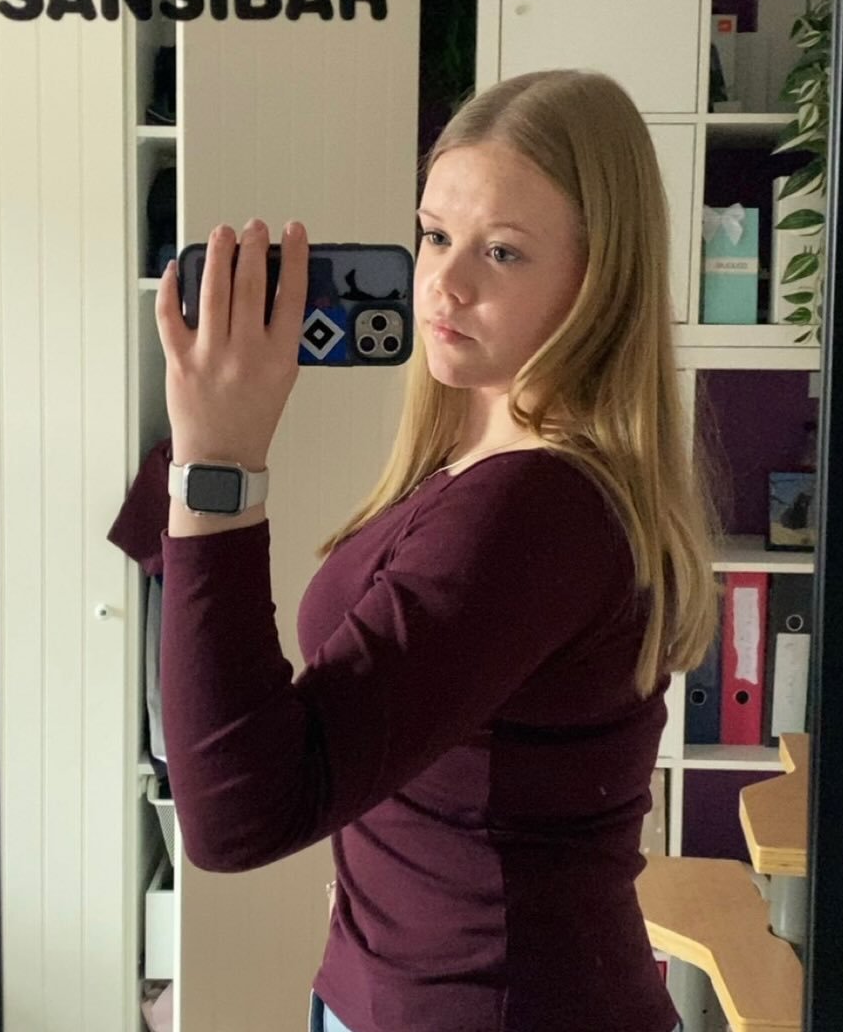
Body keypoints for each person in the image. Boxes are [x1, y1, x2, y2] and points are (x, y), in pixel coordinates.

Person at [151, 68, 721, 1032]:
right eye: (435, 234)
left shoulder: (533, 510)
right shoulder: (478, 466)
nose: (444, 284)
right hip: (392, 987)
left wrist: (217, 466)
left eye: (502, 251)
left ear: (599, 279)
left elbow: (237, 815)